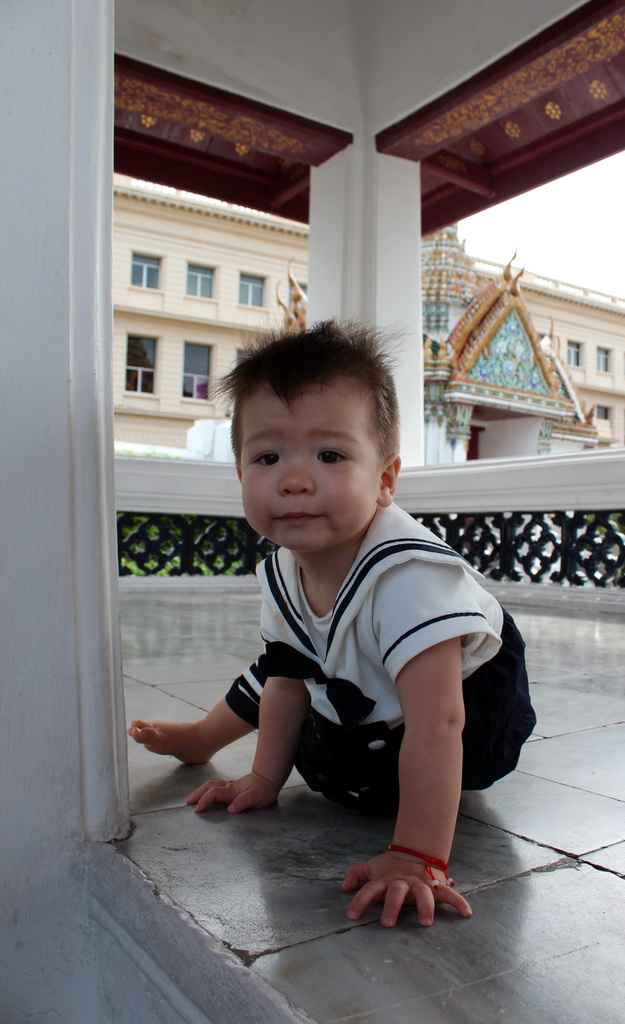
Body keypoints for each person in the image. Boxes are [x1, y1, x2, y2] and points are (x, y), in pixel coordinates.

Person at [129, 320, 536, 928]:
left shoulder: (409, 578)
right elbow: (287, 682)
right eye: (267, 457)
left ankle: (409, 816)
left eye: (330, 455)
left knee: (353, 712)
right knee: (286, 666)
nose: (294, 479)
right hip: (372, 698)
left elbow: (440, 721)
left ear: (385, 481)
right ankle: (202, 738)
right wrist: (266, 776)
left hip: (467, 716)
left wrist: (418, 855)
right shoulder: (284, 572)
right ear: (240, 476)